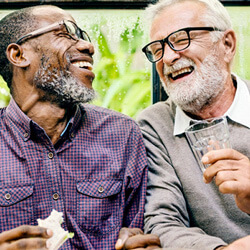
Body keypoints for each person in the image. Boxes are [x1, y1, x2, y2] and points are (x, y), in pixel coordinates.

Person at [0, 5, 161, 250]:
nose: (89, 47)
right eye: (65, 33)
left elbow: (140, 230)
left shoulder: (122, 133)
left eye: (83, 36)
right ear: (19, 55)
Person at [138, 0, 250, 249]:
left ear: (227, 45)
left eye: (181, 40)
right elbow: (162, 223)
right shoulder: (154, 125)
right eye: (157, 49)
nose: (167, 58)